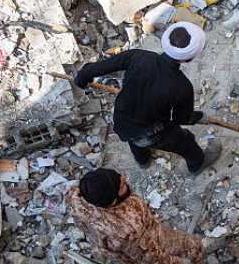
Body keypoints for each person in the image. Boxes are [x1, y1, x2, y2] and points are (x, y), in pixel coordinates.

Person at [74, 23, 222, 175]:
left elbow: (101, 67)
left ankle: (143, 160)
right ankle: (198, 163)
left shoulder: (138, 56)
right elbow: (181, 119)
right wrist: (199, 116)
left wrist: (82, 77)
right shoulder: (182, 86)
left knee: (134, 140)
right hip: (150, 131)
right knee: (185, 141)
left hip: (121, 121)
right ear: (188, 59)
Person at [66, 168, 214, 264]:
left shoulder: (75, 195)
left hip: (118, 251)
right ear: (112, 202)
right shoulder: (128, 228)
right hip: (150, 240)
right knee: (193, 247)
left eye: (118, 176)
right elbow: (150, 256)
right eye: (121, 185)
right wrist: (177, 263)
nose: (123, 178)